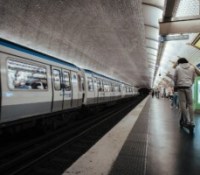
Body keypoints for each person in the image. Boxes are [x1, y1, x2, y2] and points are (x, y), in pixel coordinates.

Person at [174, 58, 196, 126]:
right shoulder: (192, 67)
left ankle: (186, 120)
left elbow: (175, 77)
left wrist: (176, 84)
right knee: (190, 104)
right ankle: (192, 121)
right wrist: (191, 83)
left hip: (180, 87)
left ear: (179, 62)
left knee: (182, 104)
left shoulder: (177, 68)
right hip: (188, 87)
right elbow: (193, 77)